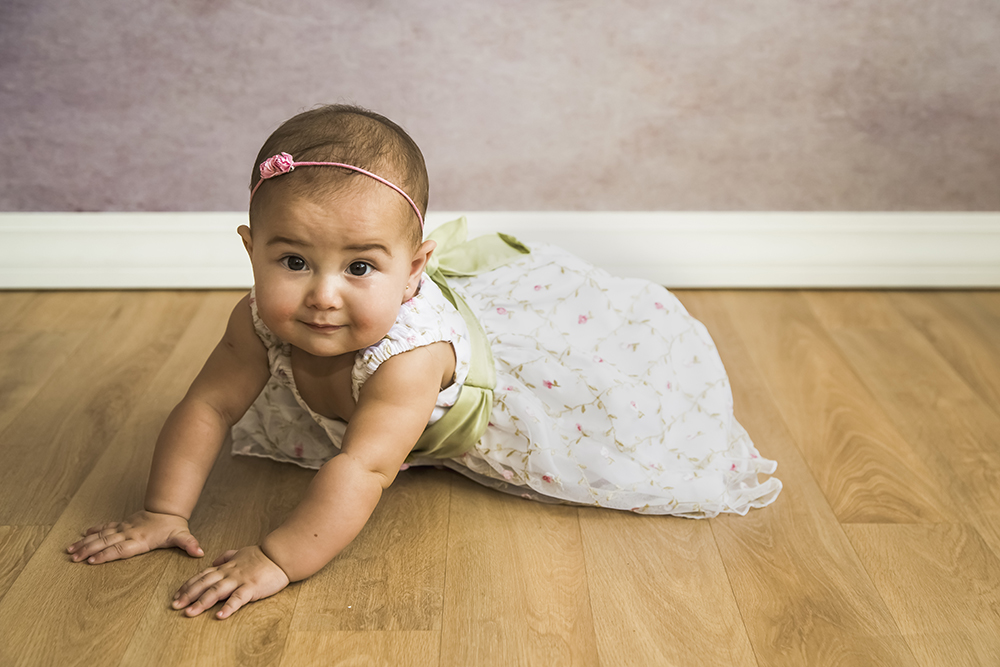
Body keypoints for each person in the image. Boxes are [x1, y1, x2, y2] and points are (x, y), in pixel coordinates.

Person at [67, 104, 781, 619]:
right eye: (292, 260)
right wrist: (163, 509)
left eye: (360, 266)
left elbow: (365, 467)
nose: (323, 295)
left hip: (467, 408)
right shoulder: (254, 317)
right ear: (249, 248)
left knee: (620, 420)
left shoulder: (409, 354)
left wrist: (279, 556)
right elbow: (208, 406)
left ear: (415, 270)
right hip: (362, 399)